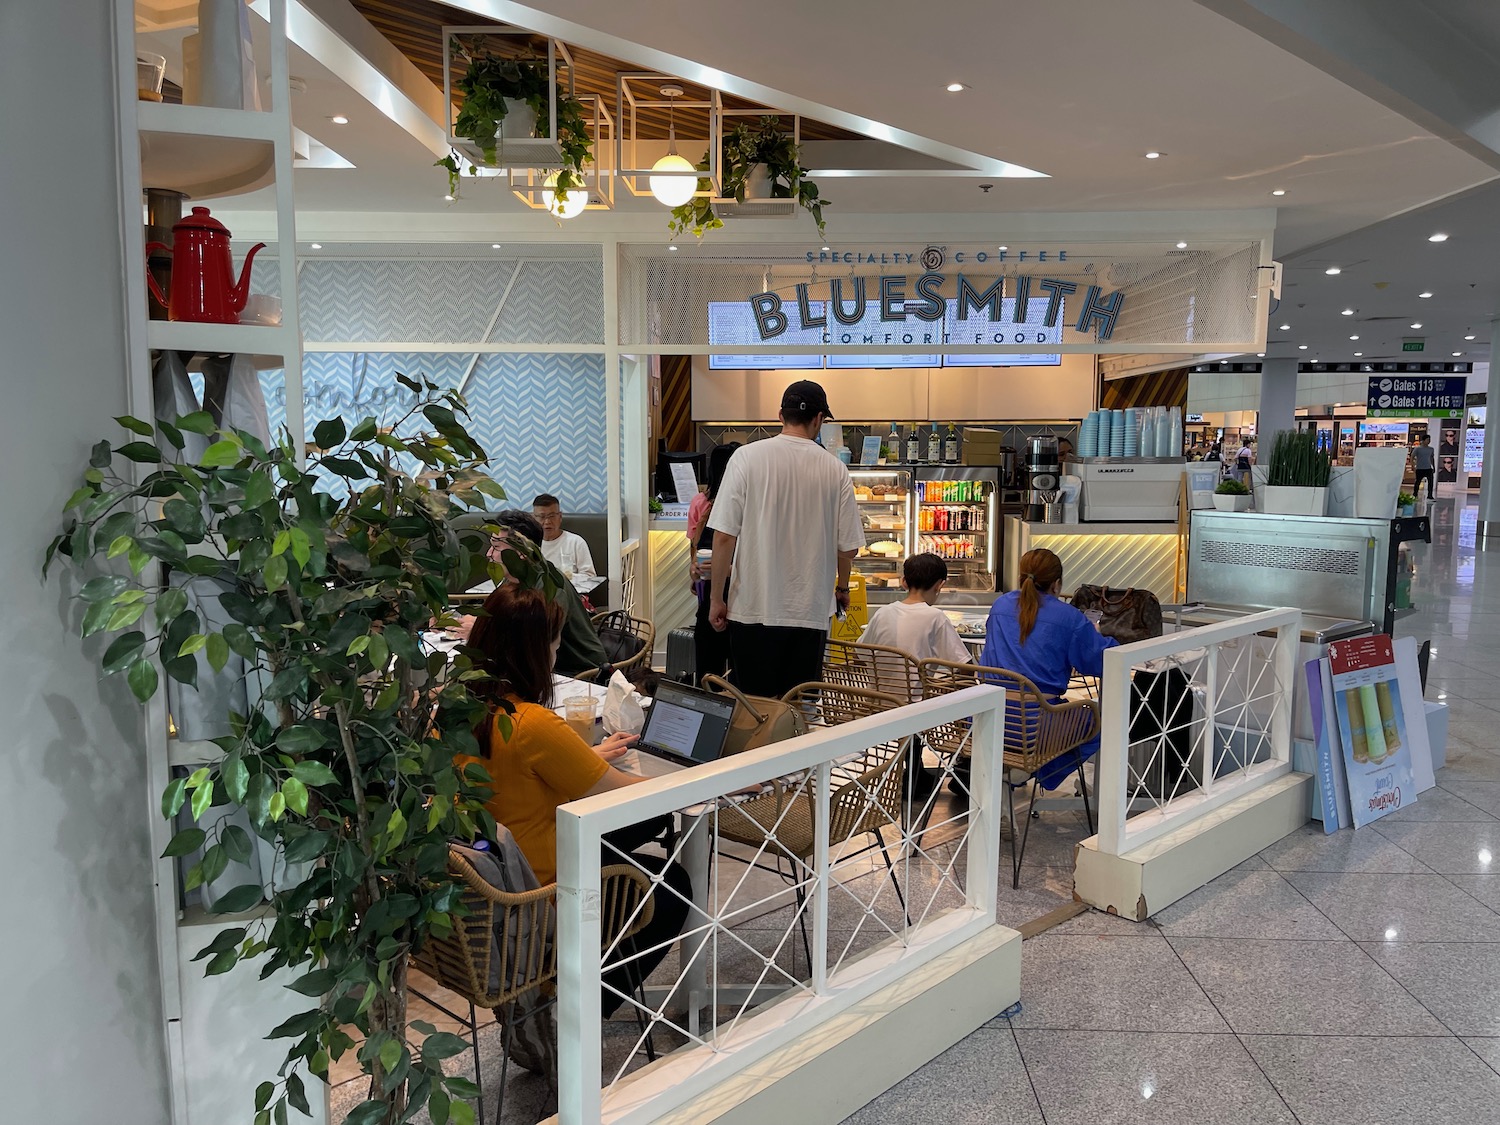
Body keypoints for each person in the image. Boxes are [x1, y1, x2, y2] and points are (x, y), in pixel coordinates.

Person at [464, 584, 691, 1016]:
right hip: (541, 891)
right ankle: (580, 1009)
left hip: (493, 876)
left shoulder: (463, 708)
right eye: (553, 645)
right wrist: (711, 778)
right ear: (534, 652)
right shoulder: (531, 724)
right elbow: (624, 792)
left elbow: (519, 771)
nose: (555, 656)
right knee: (671, 882)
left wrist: (582, 758)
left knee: (643, 827)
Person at [708, 380, 863, 697]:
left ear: (781, 415)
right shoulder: (835, 470)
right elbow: (848, 548)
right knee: (798, 710)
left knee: (752, 708)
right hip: (809, 611)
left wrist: (716, 598)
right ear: (819, 419)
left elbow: (724, 536)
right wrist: (843, 588)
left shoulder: (746, 458)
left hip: (751, 608)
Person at [979, 548, 1118, 790]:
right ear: (1057, 584)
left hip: (986, 718)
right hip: (1037, 725)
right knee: (1099, 724)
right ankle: (1043, 774)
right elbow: (1100, 661)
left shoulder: (1000, 605)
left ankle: (1015, 772)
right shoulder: (1070, 618)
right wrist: (1095, 635)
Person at [461, 511, 612, 680]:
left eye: (496, 547)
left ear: (522, 552)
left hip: (579, 675)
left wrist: (482, 630)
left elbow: (537, 640)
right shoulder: (513, 578)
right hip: (539, 670)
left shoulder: (550, 585)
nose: (489, 554)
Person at [860, 553, 971, 666]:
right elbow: (965, 667)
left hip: (879, 684)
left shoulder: (882, 613)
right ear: (940, 585)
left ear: (904, 582)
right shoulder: (936, 618)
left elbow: (859, 655)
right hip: (918, 684)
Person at [687, 443, 740, 682]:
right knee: (716, 667)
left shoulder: (744, 505)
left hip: (731, 594)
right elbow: (695, 550)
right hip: (715, 594)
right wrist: (695, 570)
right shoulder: (702, 504)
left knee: (712, 669)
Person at [531, 493, 606, 609]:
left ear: (560, 517)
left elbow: (590, 577)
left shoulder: (576, 542)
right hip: (536, 600)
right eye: (541, 517)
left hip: (570, 599)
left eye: (551, 516)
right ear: (533, 518)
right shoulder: (529, 544)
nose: (547, 522)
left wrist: (567, 578)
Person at [1410, 434, 1435, 500]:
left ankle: (1430, 495)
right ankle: (1415, 494)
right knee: (1417, 482)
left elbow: (1432, 458)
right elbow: (1412, 457)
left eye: (1429, 440)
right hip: (1420, 468)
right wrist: (1412, 466)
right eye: (1427, 440)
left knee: (1431, 482)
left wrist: (1433, 466)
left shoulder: (1431, 449)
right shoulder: (1418, 449)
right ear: (1423, 440)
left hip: (1428, 468)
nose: (1429, 441)